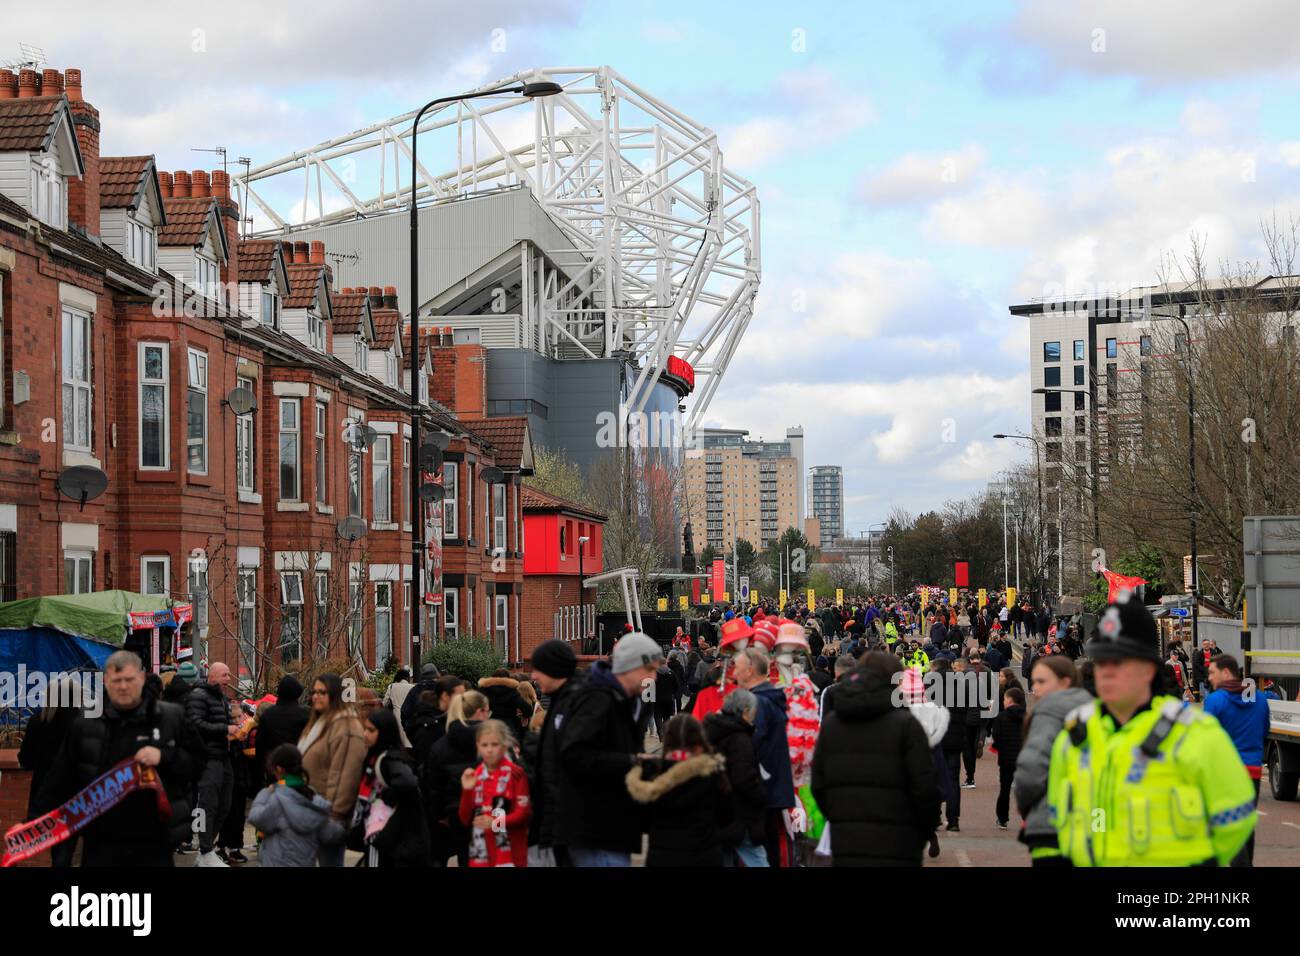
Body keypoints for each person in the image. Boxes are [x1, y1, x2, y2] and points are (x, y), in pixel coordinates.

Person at [1047, 598, 1258, 866]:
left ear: (1148, 668)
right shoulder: (1075, 734)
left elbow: (1236, 818)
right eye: (1101, 661)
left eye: (1119, 662)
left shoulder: (1194, 733)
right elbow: (1064, 812)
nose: (1107, 672)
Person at [32, 651, 201, 867]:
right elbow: (59, 782)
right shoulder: (85, 725)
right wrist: (32, 828)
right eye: (116, 680)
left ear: (141, 678)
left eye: (129, 680)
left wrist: (164, 756)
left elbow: (197, 763)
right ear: (105, 682)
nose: (123, 686)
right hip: (101, 845)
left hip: (153, 842)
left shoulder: (171, 718)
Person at [811, 653, 940, 866]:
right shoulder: (907, 726)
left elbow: (819, 785)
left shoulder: (832, 725)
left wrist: (841, 819)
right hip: (899, 846)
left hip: (847, 844)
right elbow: (926, 790)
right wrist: (919, 835)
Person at [556, 632, 662, 866]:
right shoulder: (597, 699)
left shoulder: (630, 701)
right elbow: (574, 755)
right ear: (631, 667)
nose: (653, 677)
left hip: (612, 825)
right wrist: (630, 761)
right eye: (649, 669)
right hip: (594, 826)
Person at [1014, 655, 1091, 866]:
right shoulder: (1092, 710)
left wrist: (1027, 807)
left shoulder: (1050, 711)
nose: (1035, 688)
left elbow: (1031, 769)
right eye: (1034, 681)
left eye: (1041, 681)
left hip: (1051, 823)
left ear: (1065, 681)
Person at [626, 714, 728, 867]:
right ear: (699, 741)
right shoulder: (712, 772)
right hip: (704, 853)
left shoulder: (652, 773)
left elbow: (643, 820)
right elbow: (725, 815)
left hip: (662, 854)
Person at [1203, 654, 1270, 866]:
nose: (1210, 678)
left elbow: (1205, 740)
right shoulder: (1259, 698)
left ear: (1226, 672)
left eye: (1212, 673)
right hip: (1252, 771)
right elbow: (1265, 729)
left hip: (1225, 774)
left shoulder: (1214, 701)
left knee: (1226, 828)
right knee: (1246, 825)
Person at [732, 644, 796, 866]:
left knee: (762, 851)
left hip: (762, 790)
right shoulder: (770, 698)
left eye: (737, 667)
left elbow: (750, 746)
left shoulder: (757, 703)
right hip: (772, 787)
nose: (734, 672)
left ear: (750, 670)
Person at [522, 640, 583, 866]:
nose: (534, 677)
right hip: (557, 824)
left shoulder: (573, 705)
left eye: (538, 670)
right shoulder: (561, 702)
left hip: (568, 824)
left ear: (554, 670)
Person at [19, 674, 90, 868]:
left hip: (46, 793)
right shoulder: (85, 724)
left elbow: (26, 759)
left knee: (58, 847)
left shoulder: (37, 722)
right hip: (77, 793)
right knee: (70, 846)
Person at [297, 674, 367, 867]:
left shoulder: (346, 726)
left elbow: (347, 775)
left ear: (335, 695)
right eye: (314, 692)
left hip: (328, 815)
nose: (316, 697)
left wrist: (335, 817)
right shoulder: (318, 723)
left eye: (322, 692)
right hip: (309, 811)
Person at [351, 708, 429, 867]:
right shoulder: (378, 756)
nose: (365, 734)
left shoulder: (388, 759)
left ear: (384, 732)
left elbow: (408, 783)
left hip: (380, 832)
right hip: (380, 832)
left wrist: (388, 796)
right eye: (365, 729)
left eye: (371, 730)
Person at [248, 743, 345, 867]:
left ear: (278, 769)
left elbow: (255, 817)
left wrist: (265, 793)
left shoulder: (276, 799)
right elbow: (335, 834)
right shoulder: (315, 802)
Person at [423, 689, 490, 866]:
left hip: (453, 814)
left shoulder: (439, 745)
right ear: (480, 712)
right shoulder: (493, 742)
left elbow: (434, 787)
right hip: (490, 812)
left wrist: (440, 815)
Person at [704, 689, 768, 867]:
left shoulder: (713, 730)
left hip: (719, 811)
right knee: (757, 858)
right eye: (753, 712)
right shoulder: (740, 739)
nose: (754, 716)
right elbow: (744, 777)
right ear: (745, 711)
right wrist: (762, 793)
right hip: (740, 813)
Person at [460, 720, 532, 867]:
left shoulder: (515, 773)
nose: (489, 750)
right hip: (481, 853)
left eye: (495, 744)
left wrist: (495, 822)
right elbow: (465, 818)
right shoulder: (475, 774)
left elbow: (524, 813)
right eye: (484, 745)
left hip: (510, 853)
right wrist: (467, 790)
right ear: (477, 746)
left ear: (504, 746)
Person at [185, 661, 236, 867]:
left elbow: (224, 723)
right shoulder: (198, 696)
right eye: (225, 675)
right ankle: (205, 850)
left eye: (229, 675)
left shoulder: (221, 698)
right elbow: (194, 724)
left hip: (224, 757)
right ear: (212, 676)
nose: (228, 679)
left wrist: (235, 728)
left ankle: (207, 851)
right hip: (208, 759)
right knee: (208, 805)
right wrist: (225, 729)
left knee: (225, 805)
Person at [254, 676, 309, 784]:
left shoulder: (267, 714)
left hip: (274, 767)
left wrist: (261, 770)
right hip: (297, 766)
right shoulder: (304, 715)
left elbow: (260, 744)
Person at [990, 685, 1026, 830]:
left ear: (1010, 700)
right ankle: (1027, 818)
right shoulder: (1027, 716)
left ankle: (1002, 818)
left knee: (1004, 790)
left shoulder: (1001, 717)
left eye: (1004, 699)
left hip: (1006, 758)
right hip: (1024, 758)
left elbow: (996, 735)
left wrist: (999, 746)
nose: (1003, 702)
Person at [408, 676, 465, 765]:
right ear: (445, 696)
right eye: (460, 697)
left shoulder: (444, 719)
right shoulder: (429, 727)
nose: (463, 701)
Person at [477, 669, 532, 740]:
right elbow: (527, 709)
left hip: (488, 724)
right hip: (508, 726)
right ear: (508, 678)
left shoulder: (484, 690)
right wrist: (524, 717)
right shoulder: (512, 691)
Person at [400, 662, 443, 740]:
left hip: (418, 734)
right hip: (439, 734)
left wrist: (410, 730)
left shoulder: (415, 689)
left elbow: (405, 712)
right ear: (436, 675)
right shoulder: (441, 688)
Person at [381, 668, 415, 749]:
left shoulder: (392, 686)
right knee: (408, 743)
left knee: (397, 742)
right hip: (409, 717)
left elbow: (384, 703)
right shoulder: (412, 687)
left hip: (395, 717)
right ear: (407, 678)